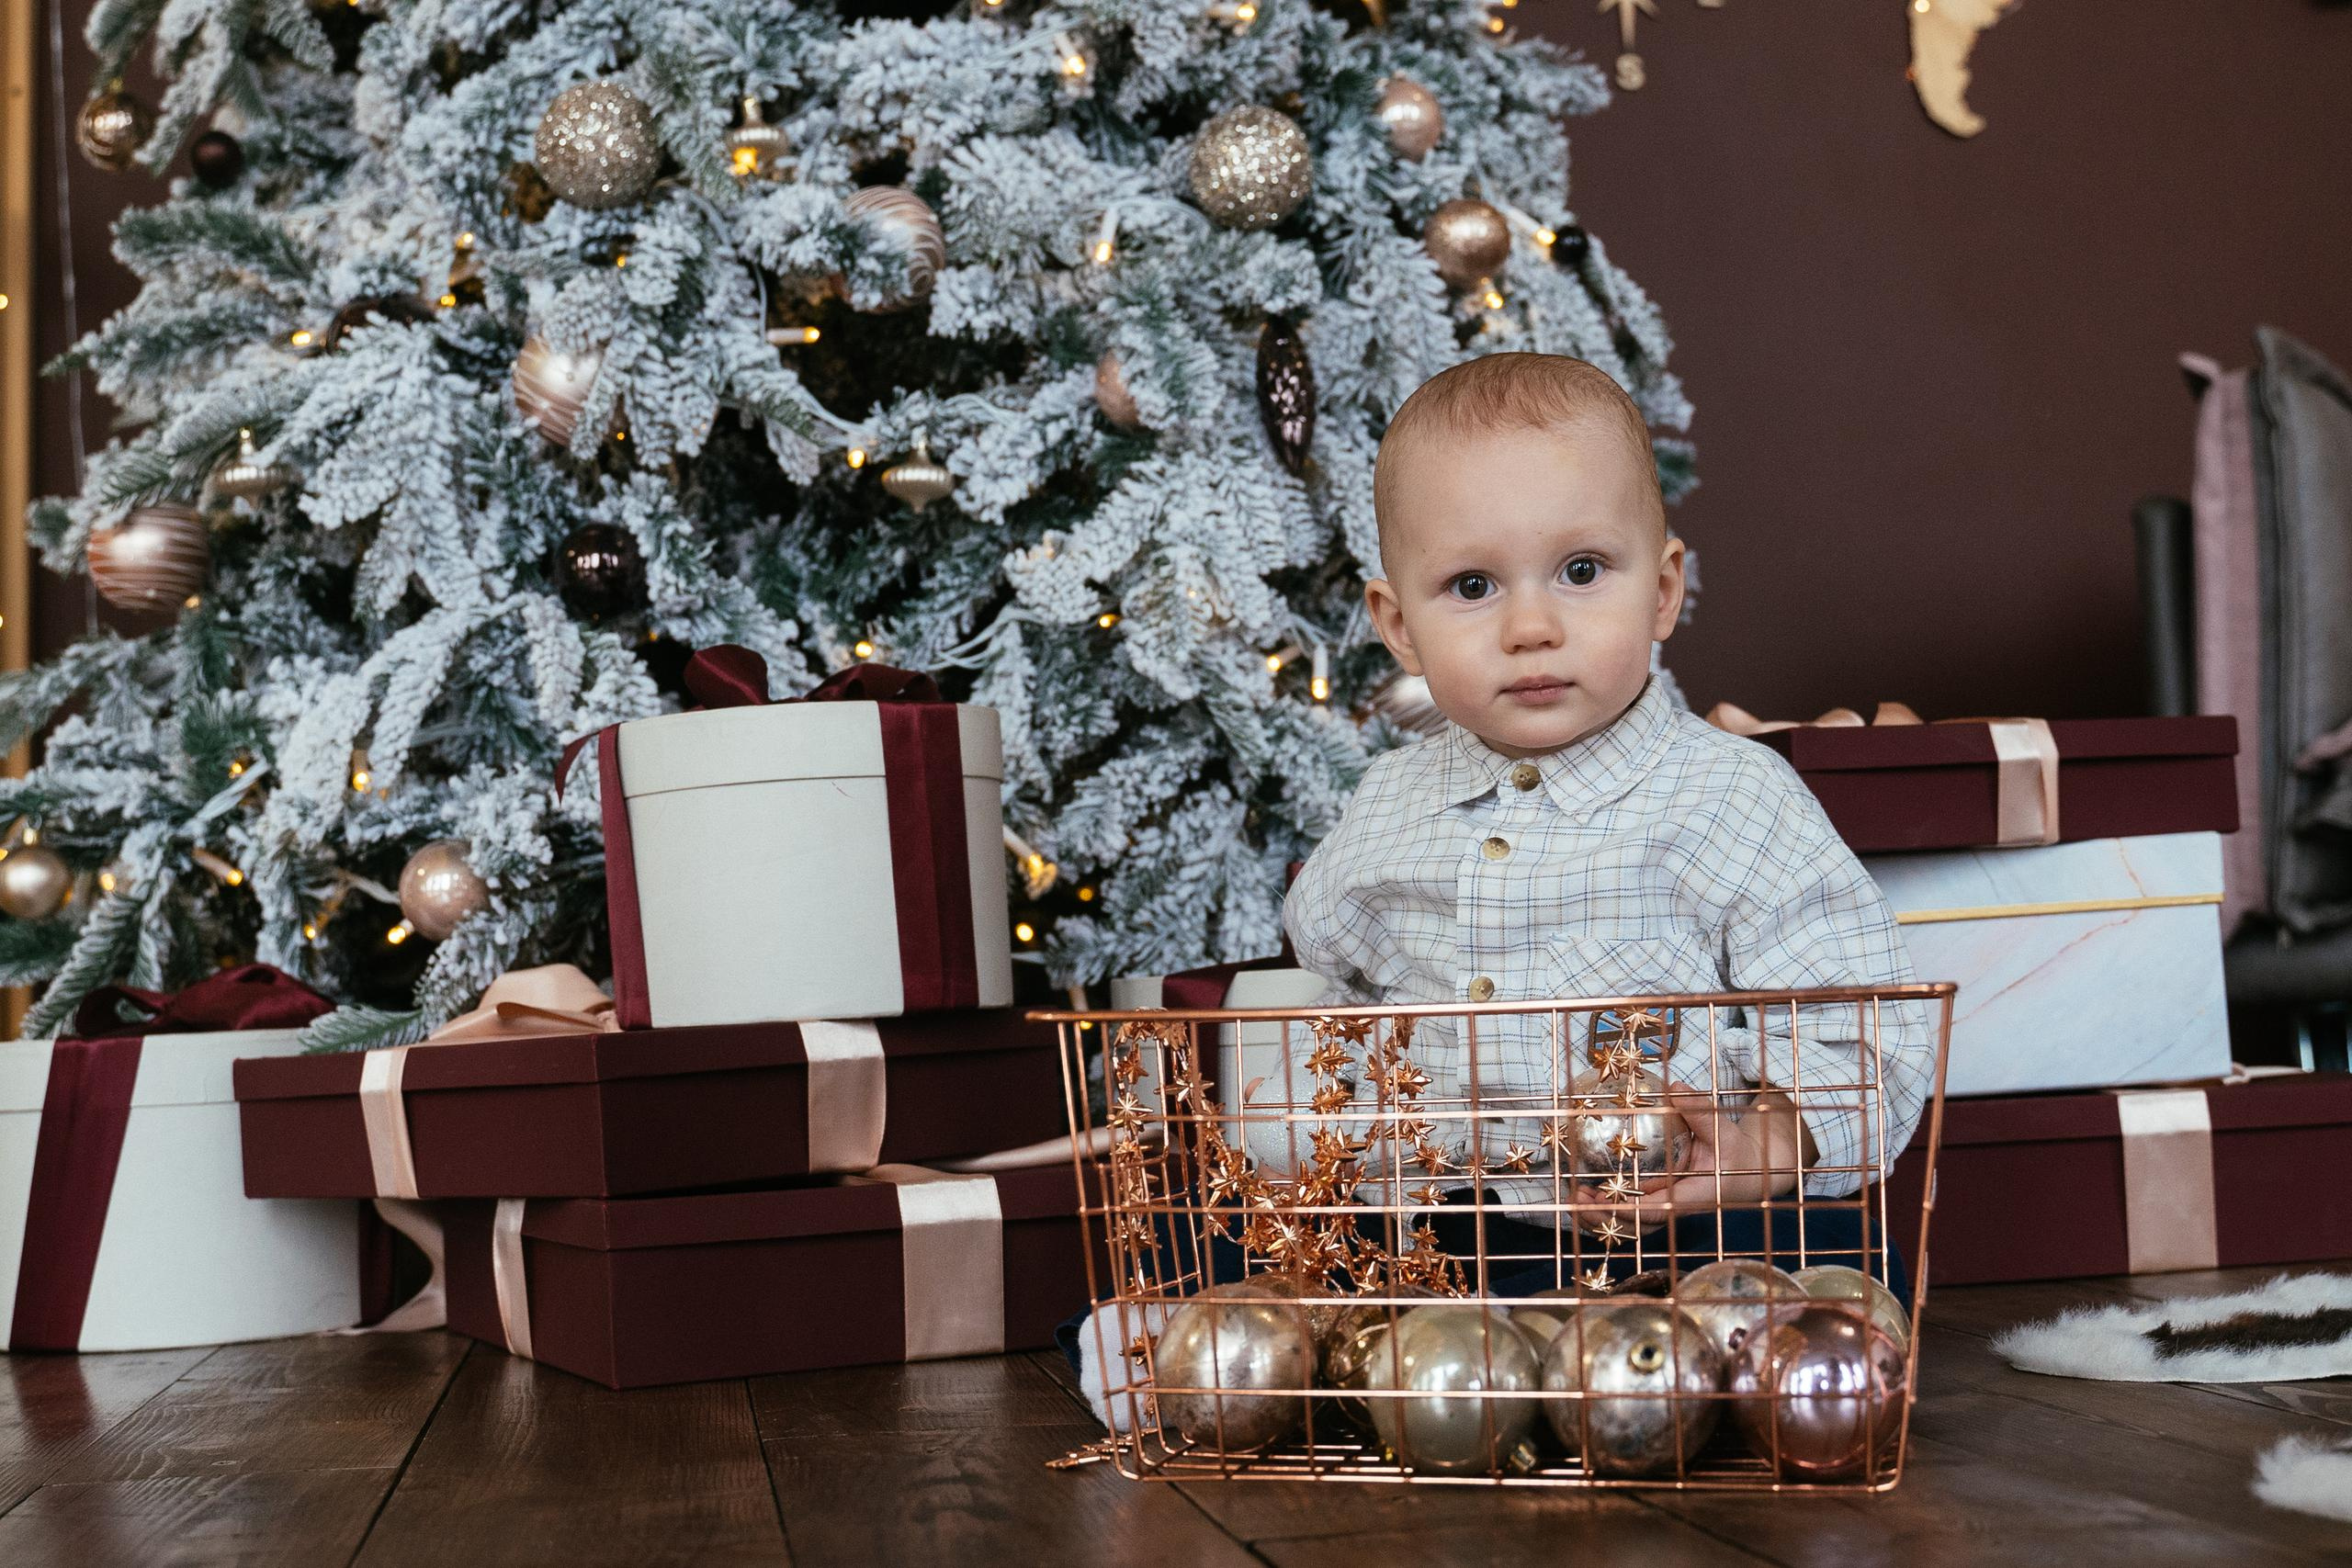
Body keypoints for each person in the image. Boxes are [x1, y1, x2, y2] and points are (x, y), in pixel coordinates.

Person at [1282, 351, 1933, 1286]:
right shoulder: (1386, 806)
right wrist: (1339, 1131)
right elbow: (1335, 1005)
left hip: (1681, 1223)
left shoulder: (1730, 800)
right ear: (1397, 626)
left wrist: (1768, 1144)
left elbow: (1868, 1027)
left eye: (1580, 570)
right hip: (1439, 1227)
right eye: (1473, 586)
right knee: (1257, 1273)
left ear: (1662, 590)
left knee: (1807, 1278)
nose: (1530, 627)